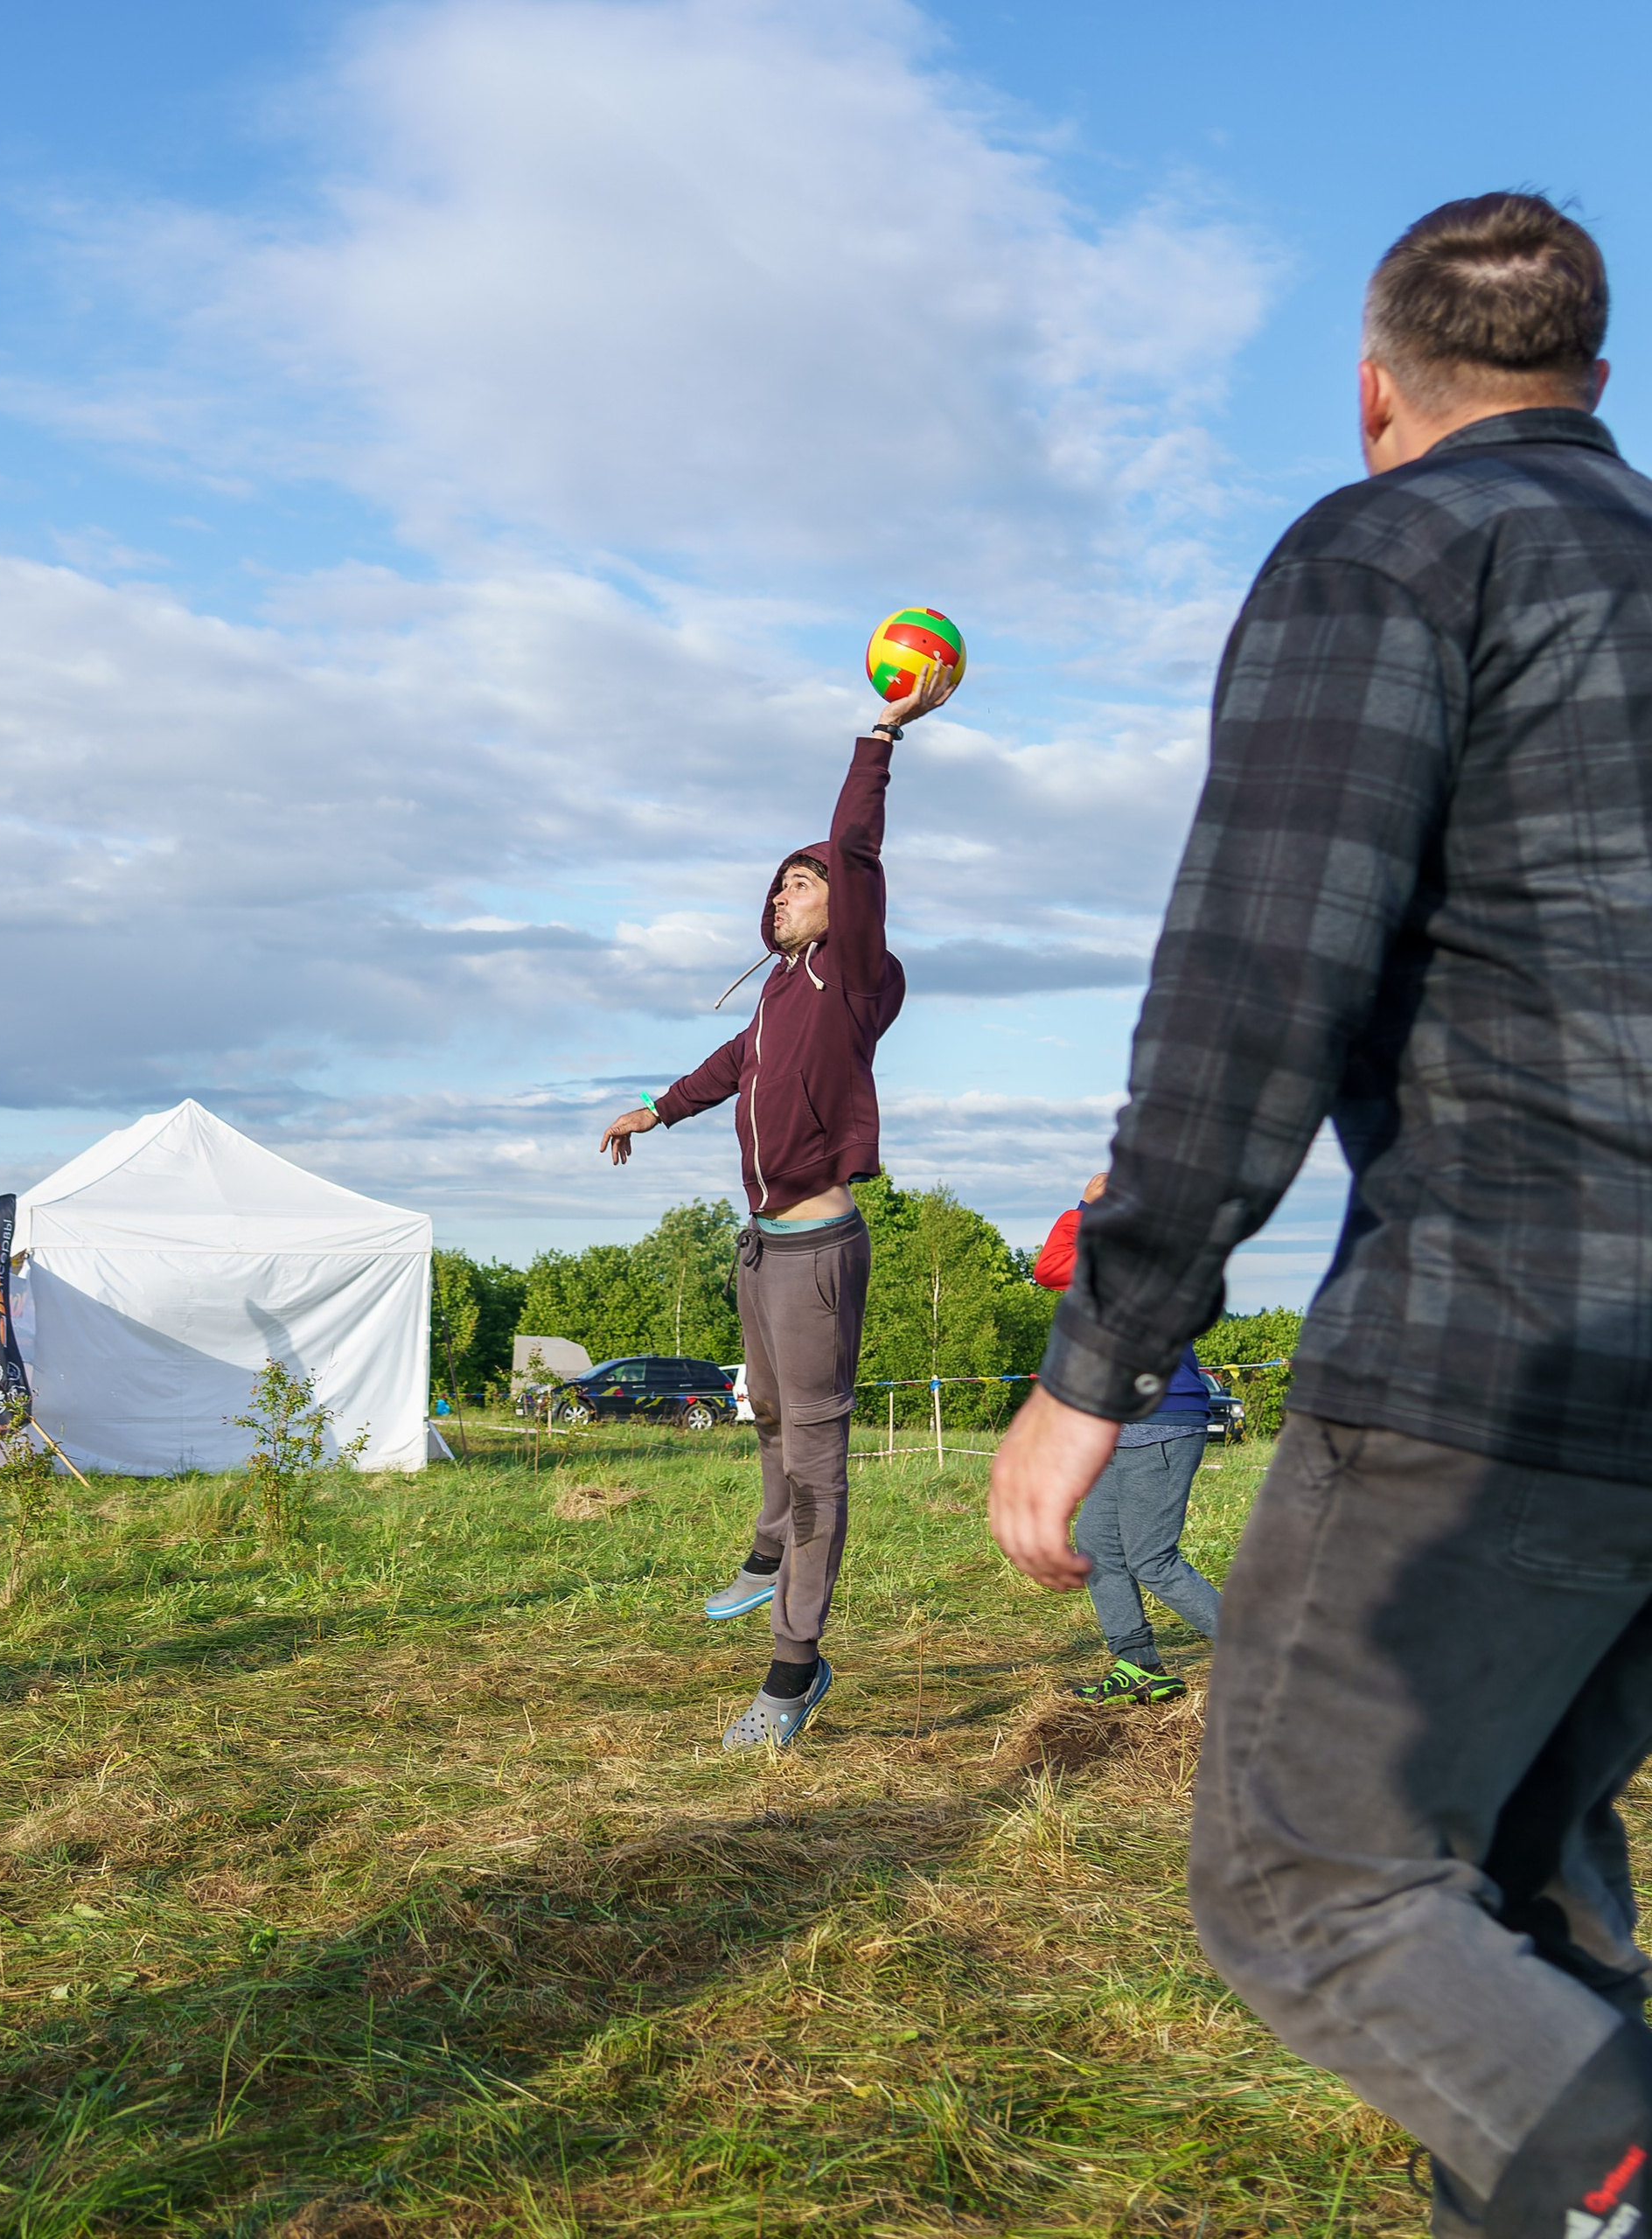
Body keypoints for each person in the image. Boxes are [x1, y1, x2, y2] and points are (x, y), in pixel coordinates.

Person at [986, 192, 1652, 2239]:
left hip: (1497, 1337)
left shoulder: (1392, 549)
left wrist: (1101, 1348)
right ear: (1592, 378)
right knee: (1512, 1890)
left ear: (1374, 391)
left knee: (1313, 1882)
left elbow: (1259, 967)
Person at [602, 657, 958, 1750]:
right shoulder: (774, 996)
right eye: (775, 886)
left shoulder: (850, 976)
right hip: (759, 1248)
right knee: (762, 1410)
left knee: (813, 1462)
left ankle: (794, 1672)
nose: (781, 894)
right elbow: (729, 1066)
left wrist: (881, 736)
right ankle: (766, 1554)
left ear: (839, 906)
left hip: (815, 1250)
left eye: (798, 883)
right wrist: (654, 1110)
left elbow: (855, 848)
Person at [1029, 1170, 1217, 1703]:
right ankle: (1139, 1665)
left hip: (1160, 1424)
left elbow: (1050, 1267)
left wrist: (1086, 1207)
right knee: (1097, 1545)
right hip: (1126, 1427)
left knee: (1153, 1560)